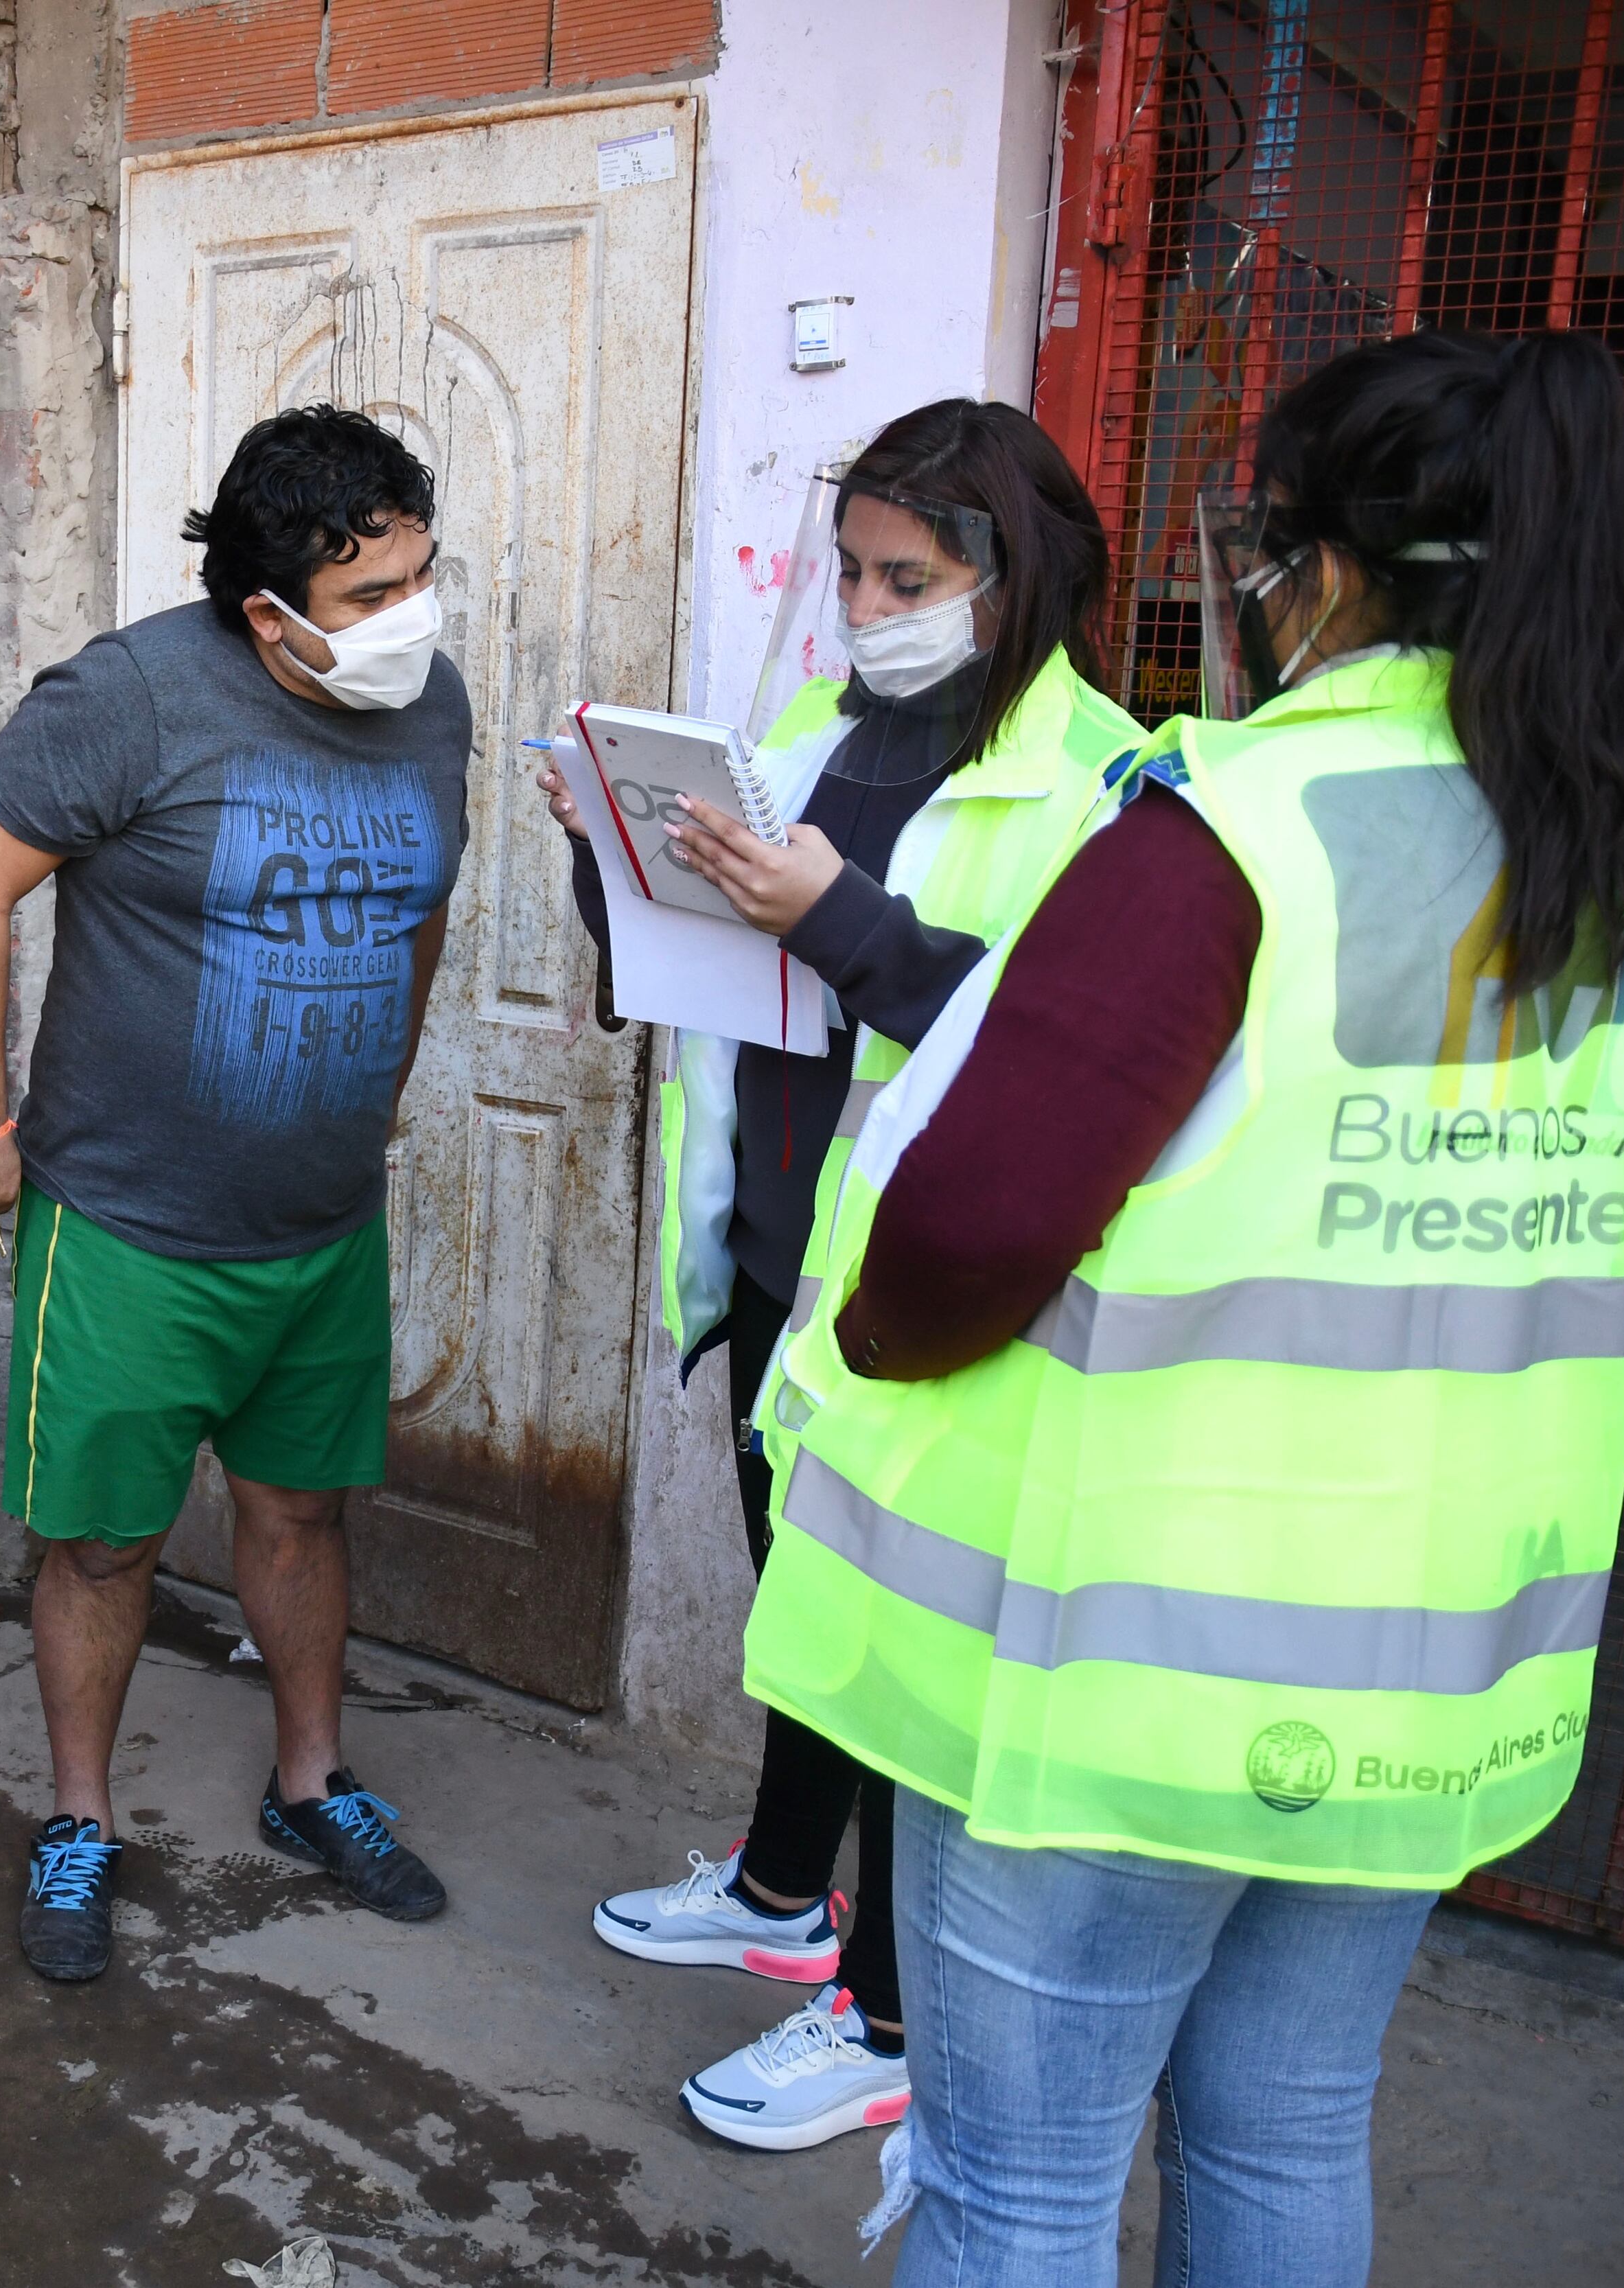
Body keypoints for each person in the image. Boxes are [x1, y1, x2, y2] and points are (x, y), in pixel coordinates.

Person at [745, 327, 1624, 2284]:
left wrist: (861, 1334)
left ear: (1327, 570)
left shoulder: (1228, 841)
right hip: (1442, 1662)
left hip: (1121, 1679)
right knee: (1288, 2127)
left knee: (1020, 2188)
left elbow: (966, 1232)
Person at [544, 400, 1140, 2149]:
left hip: (923, 1308)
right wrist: (612, 848)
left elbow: (1067, 1062)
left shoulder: (1110, 783)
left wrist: (839, 917)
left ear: (1009, 578)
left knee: (894, 1654)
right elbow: (700, 967)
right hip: (774, 1263)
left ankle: (887, 2013)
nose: (868, 608)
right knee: (807, 1619)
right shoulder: (811, 730)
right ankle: (782, 1887)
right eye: (855, 570)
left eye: (910, 577)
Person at [0, 404, 469, 1983]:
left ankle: (312, 1783)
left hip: (317, 1224)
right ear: (267, 610)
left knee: (302, 1512)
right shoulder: (132, 697)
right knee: (105, 1544)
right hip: (130, 1228)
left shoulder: (432, 709)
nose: (409, 623)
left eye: (422, 578)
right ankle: (82, 1818)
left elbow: (422, 902)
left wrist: (382, 1085)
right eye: (372, 598)